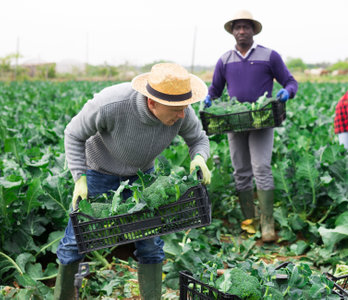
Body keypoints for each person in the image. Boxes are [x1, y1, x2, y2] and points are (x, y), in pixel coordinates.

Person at [54, 62, 211, 300]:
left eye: (185, 107)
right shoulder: (111, 104)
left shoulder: (181, 111)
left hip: (141, 178)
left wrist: (199, 158)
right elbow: (73, 134)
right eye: (177, 109)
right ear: (152, 102)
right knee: (75, 242)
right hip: (98, 172)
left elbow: (198, 138)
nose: (183, 114)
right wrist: (80, 179)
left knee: (150, 245)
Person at [203, 10, 298, 242]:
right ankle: (249, 219)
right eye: (238, 27)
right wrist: (208, 98)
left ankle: (267, 223)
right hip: (235, 121)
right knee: (240, 170)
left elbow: (290, 81)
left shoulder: (269, 56)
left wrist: (287, 92)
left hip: (262, 120)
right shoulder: (225, 60)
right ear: (233, 31)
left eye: (246, 27)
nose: (242, 31)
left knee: (262, 167)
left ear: (254, 30)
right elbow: (215, 90)